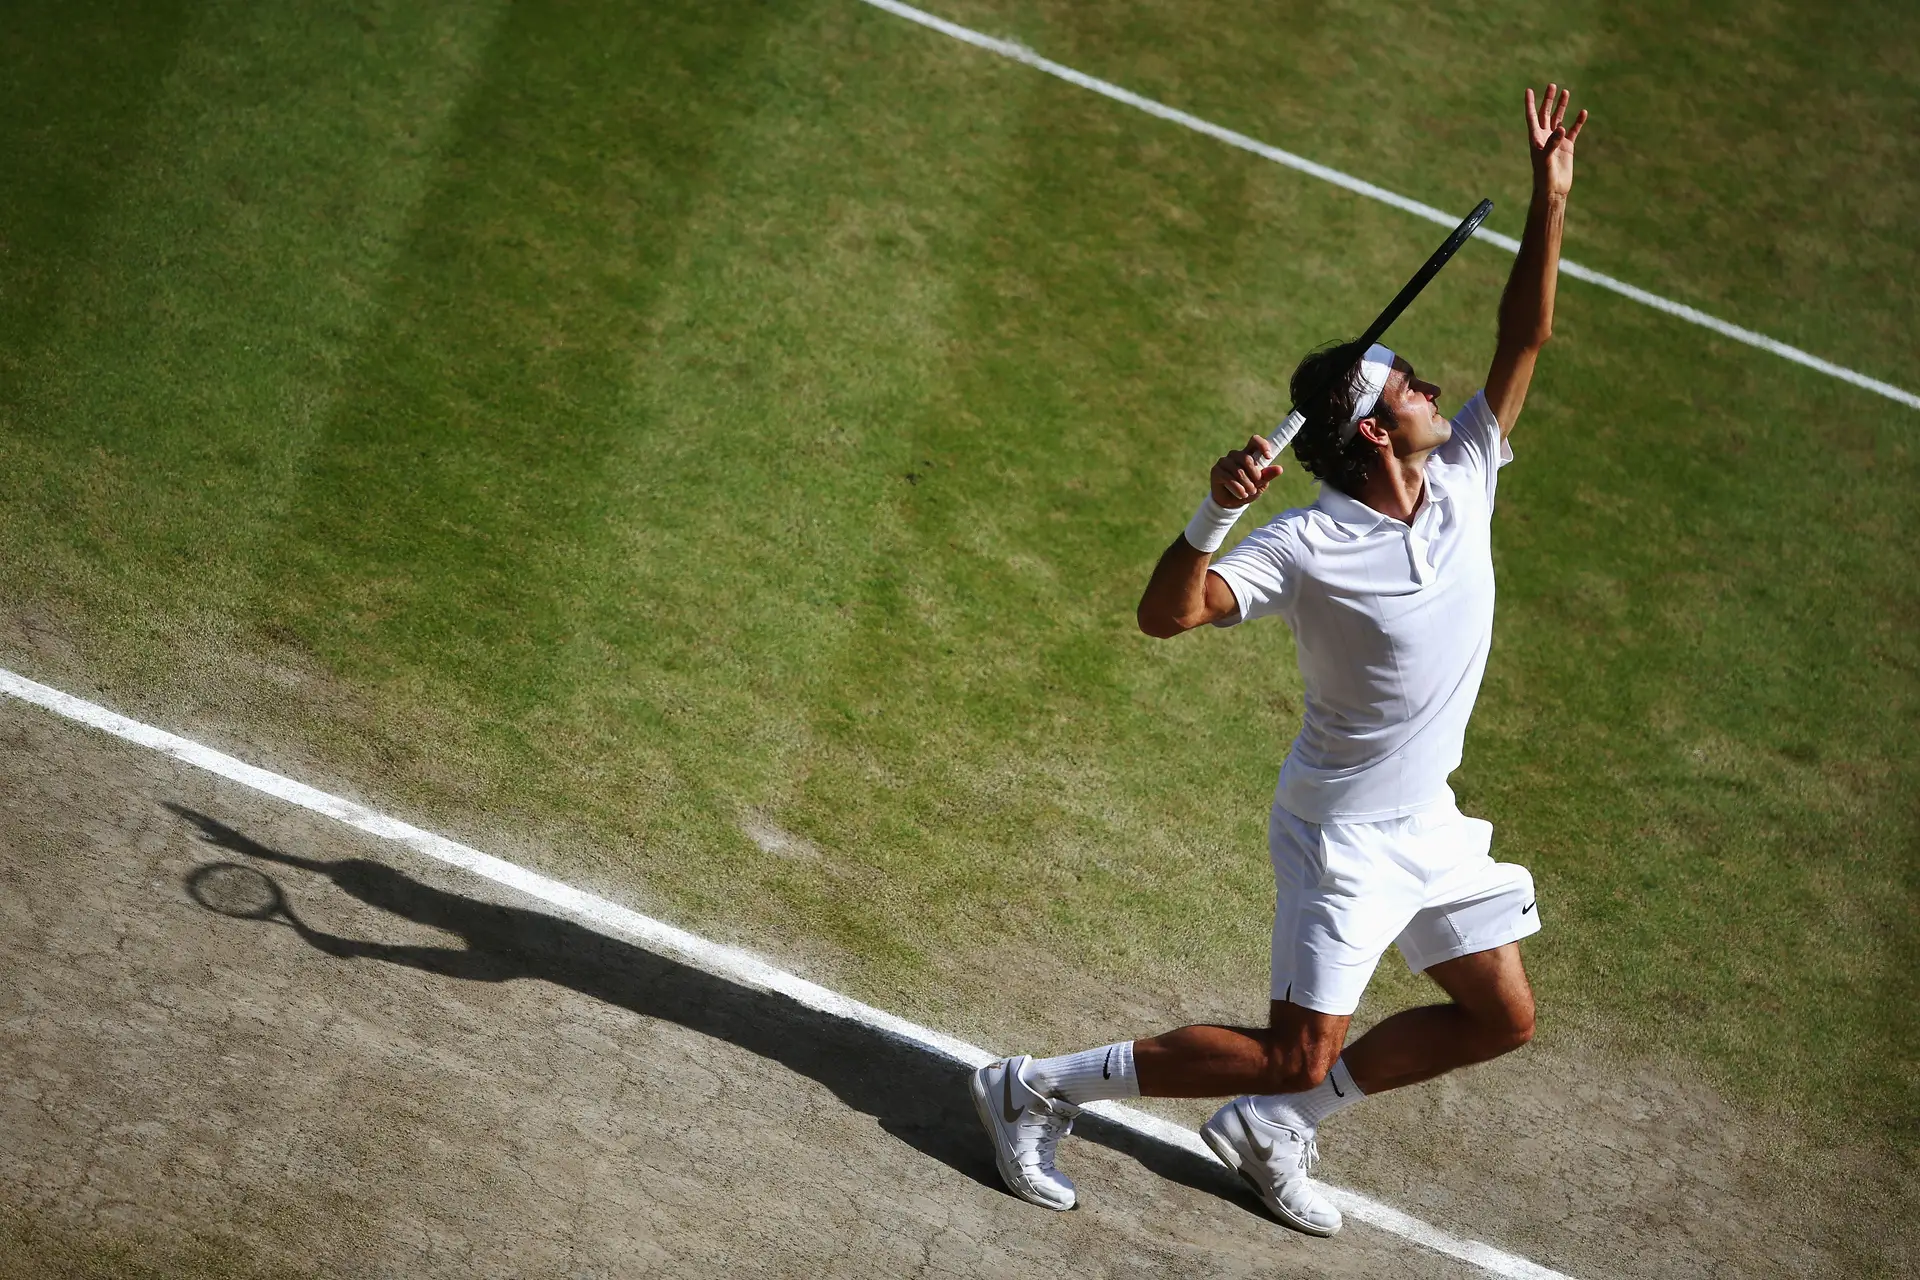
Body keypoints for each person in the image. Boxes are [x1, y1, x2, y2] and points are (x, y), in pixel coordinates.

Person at [970, 85, 1588, 1236]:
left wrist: (1550, 204)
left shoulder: (1464, 475)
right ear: (1367, 429)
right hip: (1343, 833)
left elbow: (1524, 336)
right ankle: (1034, 1084)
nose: (1428, 388)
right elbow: (1170, 614)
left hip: (1428, 819)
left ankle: (1274, 1123)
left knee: (1500, 1013)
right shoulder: (1306, 542)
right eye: (1405, 384)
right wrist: (1211, 514)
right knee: (1290, 1042)